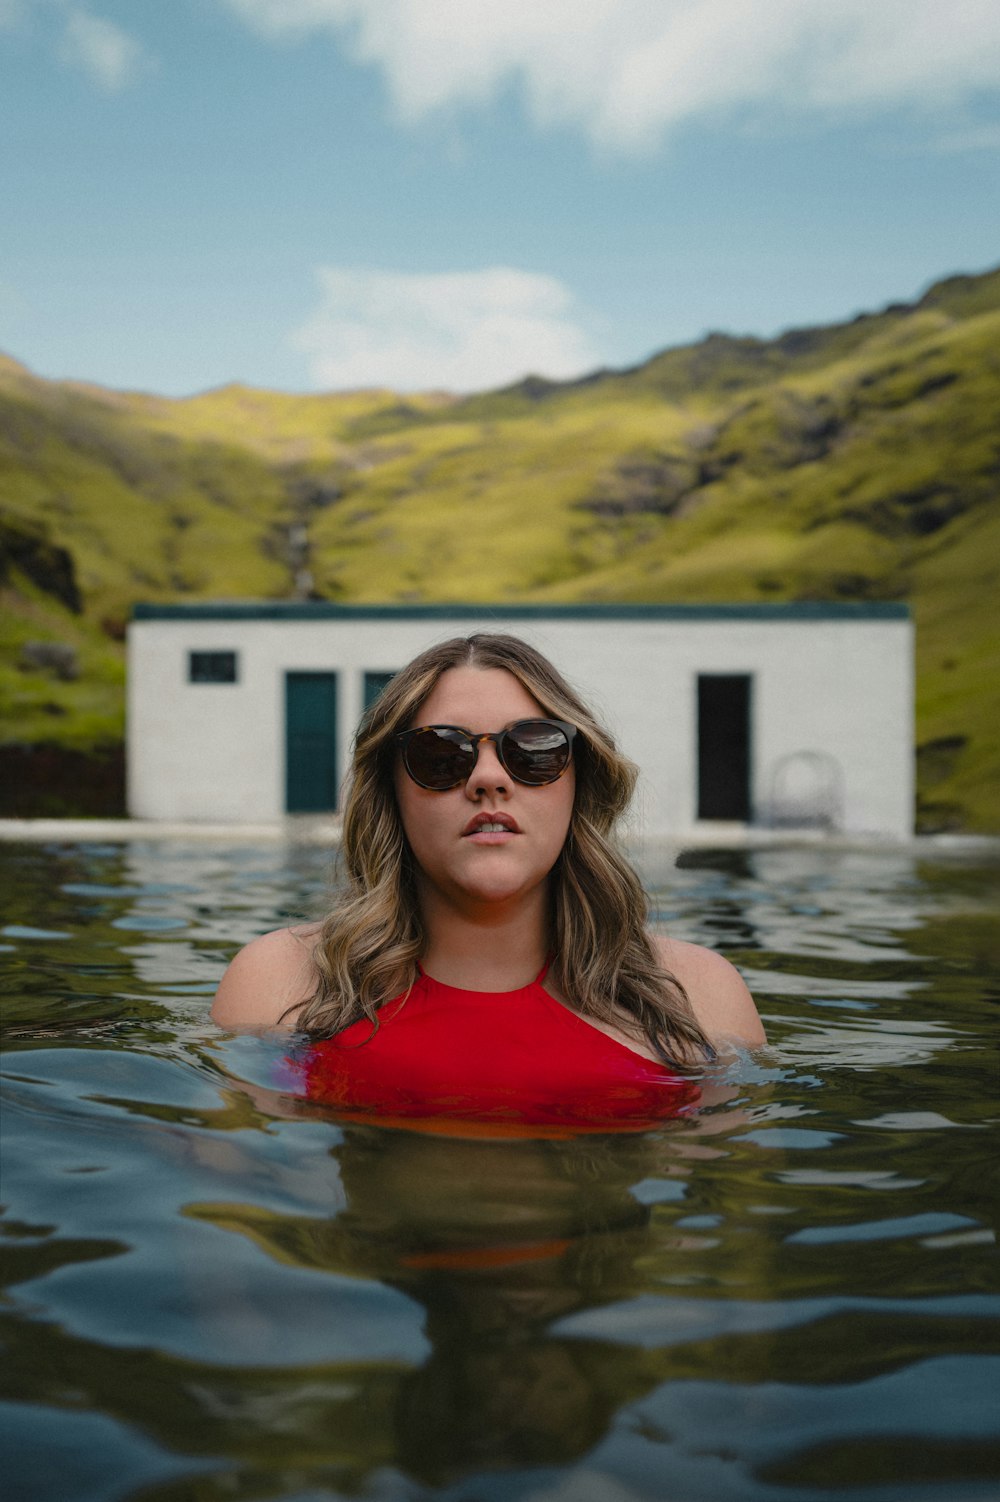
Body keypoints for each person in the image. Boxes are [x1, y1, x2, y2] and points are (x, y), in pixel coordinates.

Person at [212, 633, 764, 1129]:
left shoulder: (700, 998)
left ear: (580, 783)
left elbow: (727, 1218)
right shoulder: (278, 985)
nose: (489, 779)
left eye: (534, 749)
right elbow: (237, 1192)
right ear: (391, 795)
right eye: (440, 754)